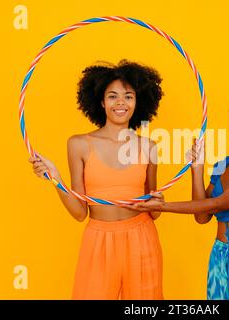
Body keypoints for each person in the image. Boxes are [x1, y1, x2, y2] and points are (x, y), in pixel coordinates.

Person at [122, 77, 229, 300]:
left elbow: (218, 203)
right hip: (219, 257)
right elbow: (202, 216)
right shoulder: (223, 164)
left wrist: (162, 206)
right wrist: (197, 169)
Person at [28, 60, 165, 300]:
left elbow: (154, 210)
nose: (120, 103)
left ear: (138, 102)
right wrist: (55, 178)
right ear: (101, 102)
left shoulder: (149, 146)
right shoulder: (79, 144)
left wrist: (159, 203)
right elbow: (80, 213)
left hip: (142, 238)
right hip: (99, 240)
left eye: (128, 96)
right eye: (112, 96)